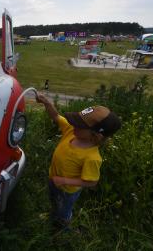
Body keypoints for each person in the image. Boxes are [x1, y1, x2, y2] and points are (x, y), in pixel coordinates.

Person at [35, 93, 121, 231]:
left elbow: (91, 182)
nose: (73, 124)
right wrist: (47, 103)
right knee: (54, 201)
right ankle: (54, 213)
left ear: (96, 135)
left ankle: (63, 229)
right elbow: (56, 116)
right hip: (55, 180)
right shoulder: (71, 131)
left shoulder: (92, 157)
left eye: (79, 125)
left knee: (64, 210)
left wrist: (64, 181)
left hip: (67, 191)